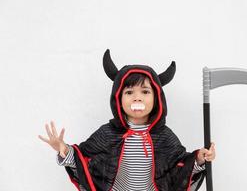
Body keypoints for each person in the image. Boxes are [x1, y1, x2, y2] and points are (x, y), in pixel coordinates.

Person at [38, 49, 216, 191]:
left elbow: (180, 166)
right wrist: (64, 150)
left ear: (157, 99)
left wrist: (200, 159)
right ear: (118, 98)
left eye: (145, 92)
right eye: (129, 92)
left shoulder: (164, 136)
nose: (137, 98)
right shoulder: (108, 133)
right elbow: (84, 159)